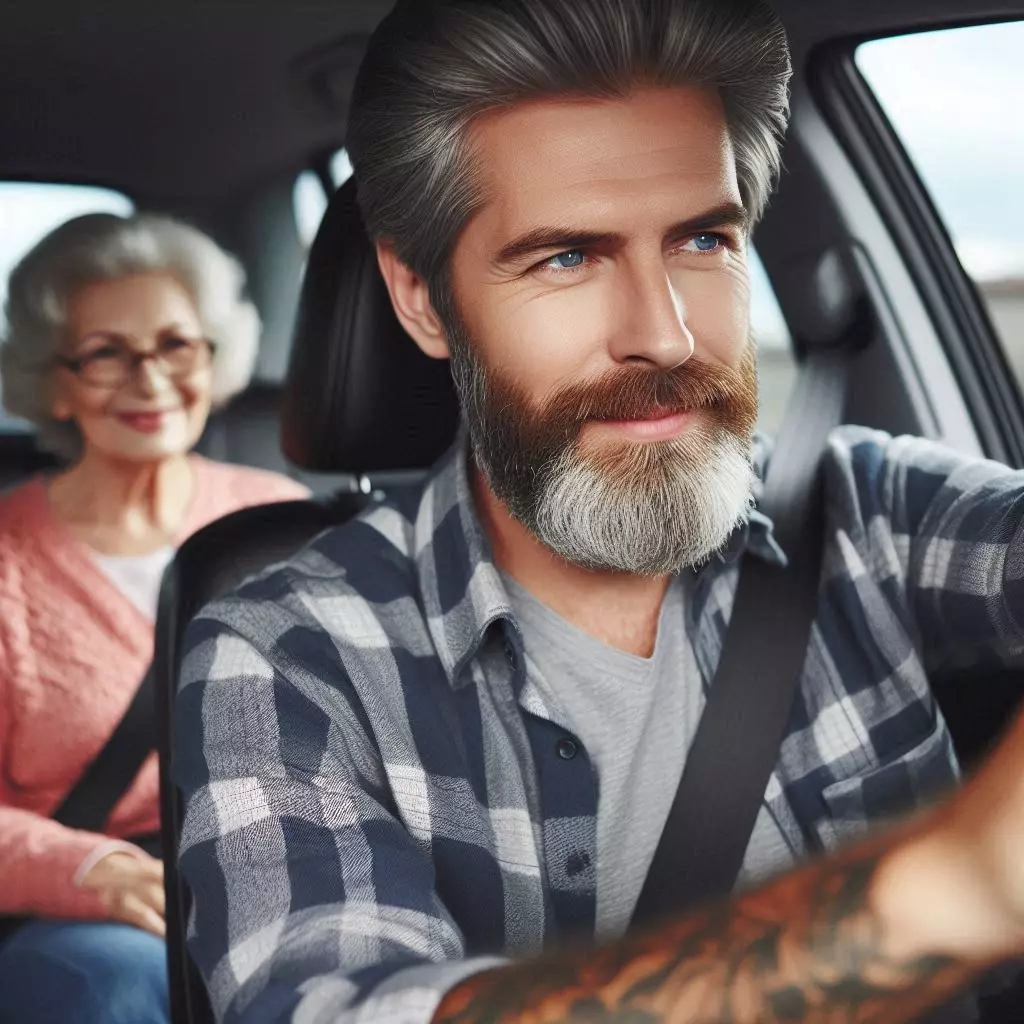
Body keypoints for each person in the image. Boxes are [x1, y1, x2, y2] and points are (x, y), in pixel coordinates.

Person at [173, 1, 1024, 1021]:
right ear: (420, 299)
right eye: (566, 256)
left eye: (703, 239)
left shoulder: (871, 515)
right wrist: (944, 893)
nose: (663, 337)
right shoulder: (289, 654)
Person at [0, 212, 309, 1024]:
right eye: (106, 353)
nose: (149, 378)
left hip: (287, 873)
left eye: (175, 344)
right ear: (54, 380)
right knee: (112, 987)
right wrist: (89, 867)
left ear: (212, 354)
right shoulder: (6, 560)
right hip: (96, 903)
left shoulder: (281, 518)